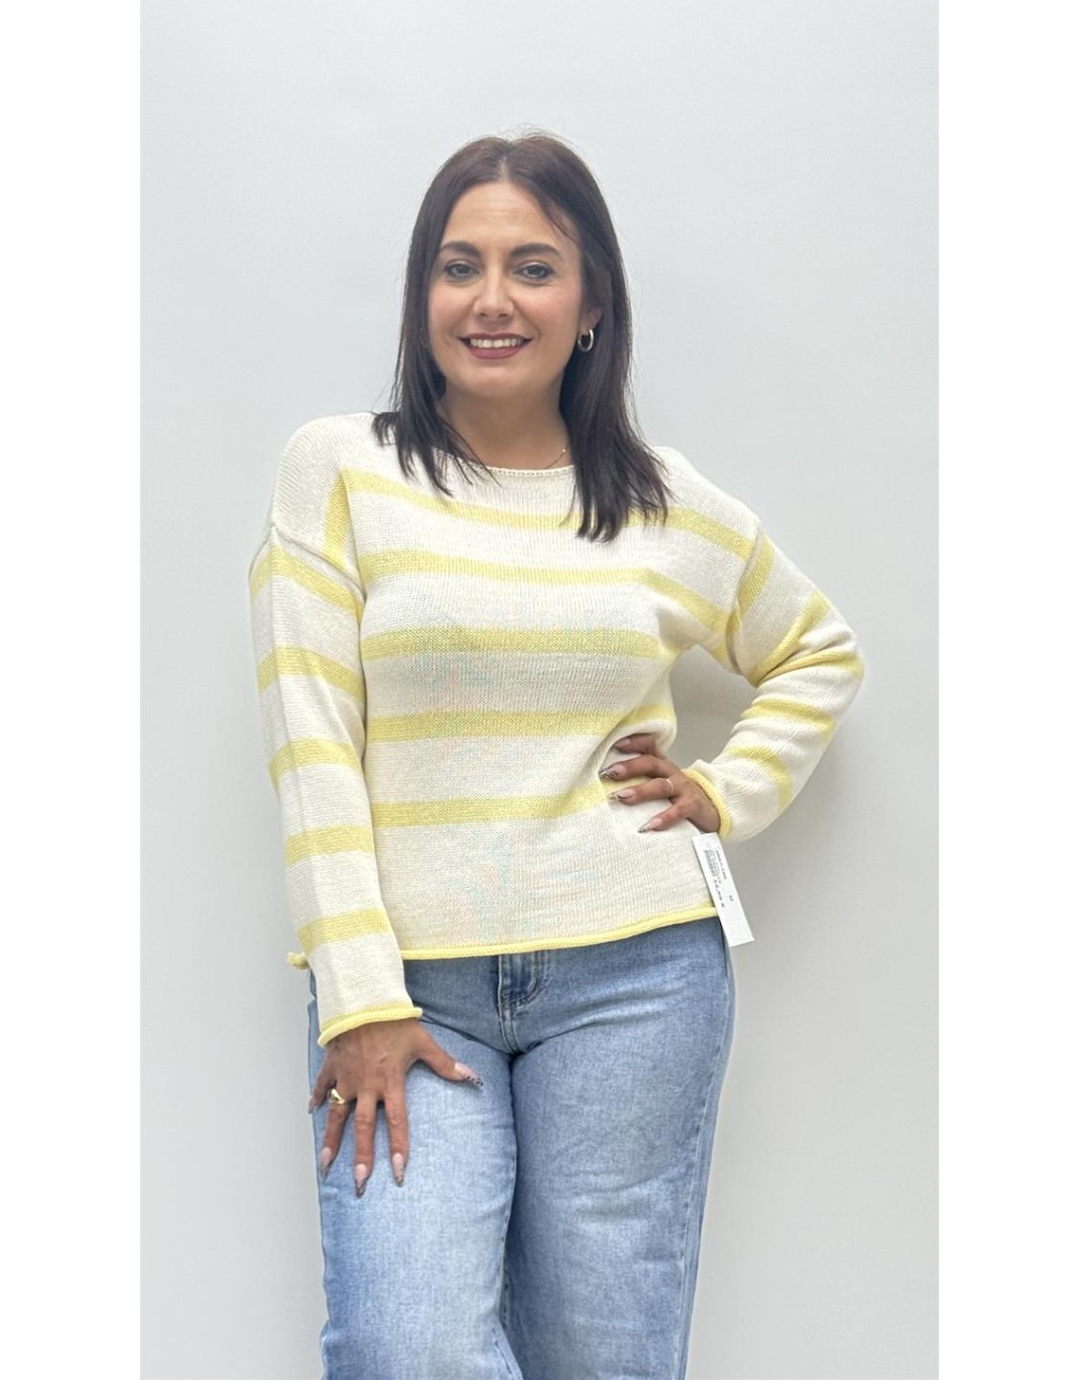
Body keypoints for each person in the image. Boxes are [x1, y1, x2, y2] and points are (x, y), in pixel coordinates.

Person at [248, 131, 865, 1380]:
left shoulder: (661, 501)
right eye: (458, 266)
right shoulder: (341, 472)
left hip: (638, 974)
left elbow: (816, 650)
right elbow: (310, 743)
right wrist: (359, 995)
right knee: (406, 1346)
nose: (491, 299)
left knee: (603, 1357)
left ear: (589, 307)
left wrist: (722, 792)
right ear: (421, 295)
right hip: (409, 991)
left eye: (532, 267)